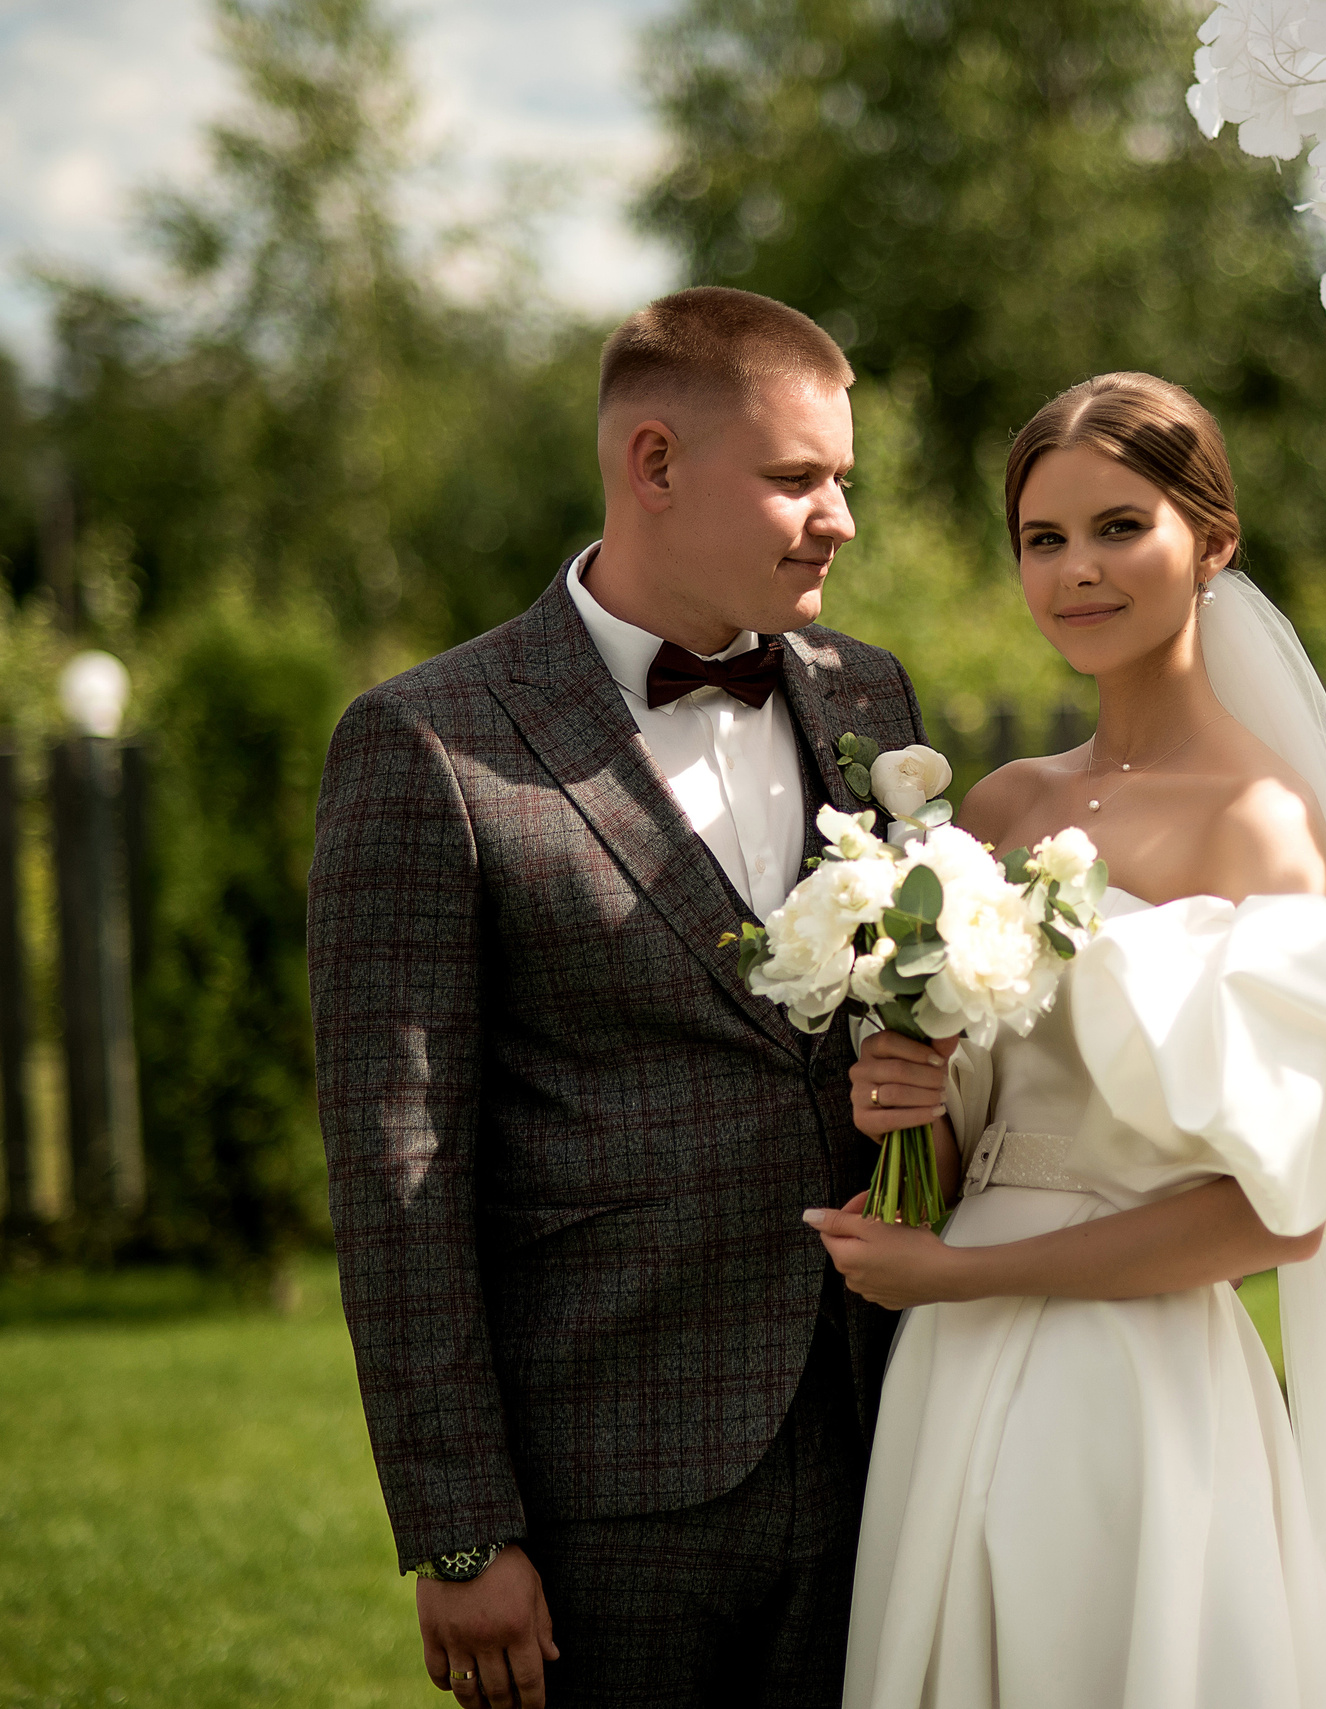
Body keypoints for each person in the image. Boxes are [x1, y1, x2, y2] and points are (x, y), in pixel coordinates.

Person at [807, 373, 1326, 1708]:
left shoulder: (1259, 824)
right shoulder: (1003, 804)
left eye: (1117, 526)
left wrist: (961, 1276)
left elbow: (1276, 1219)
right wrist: (912, 1101)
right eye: (1043, 538)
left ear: (1214, 539)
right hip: (948, 1368)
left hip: (1126, 1388)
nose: (1077, 569)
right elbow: (982, 1132)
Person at [310, 287, 927, 1709]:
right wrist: (462, 1529)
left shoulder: (869, 697)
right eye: (796, 478)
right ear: (654, 463)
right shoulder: (431, 743)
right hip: (608, 1479)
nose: (839, 516)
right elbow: (398, 1164)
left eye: (845, 479)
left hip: (885, 1429)